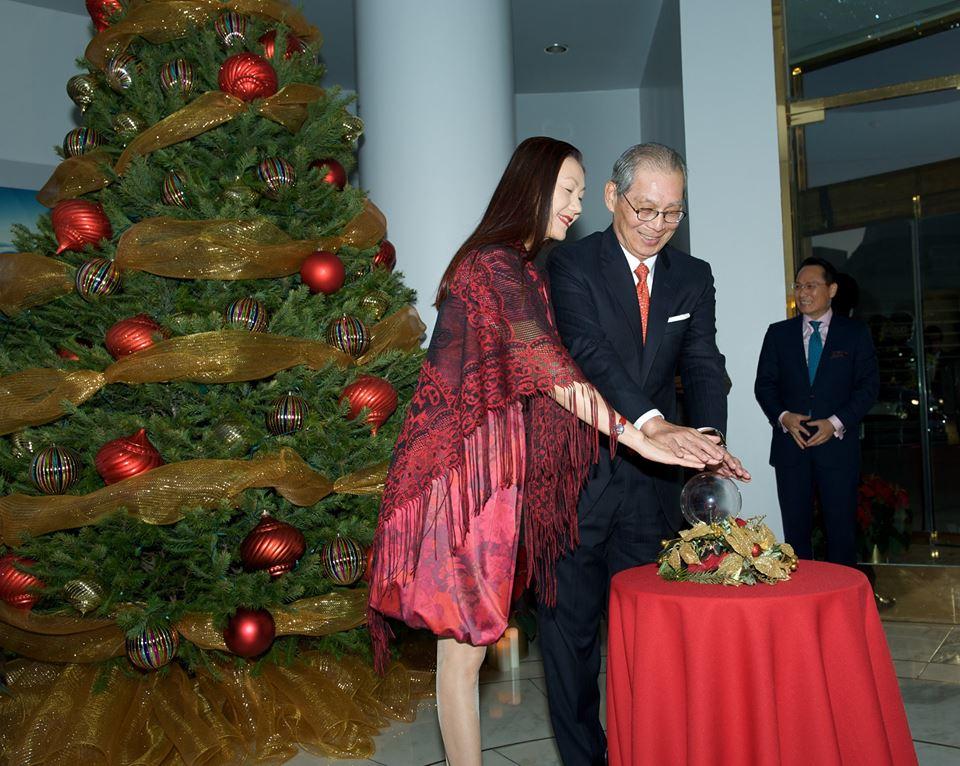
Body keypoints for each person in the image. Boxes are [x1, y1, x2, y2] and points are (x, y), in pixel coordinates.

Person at [366, 137, 732, 766]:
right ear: (533, 188)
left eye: (581, 194)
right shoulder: (492, 267)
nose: (575, 205)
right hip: (470, 475)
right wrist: (643, 434)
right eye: (568, 192)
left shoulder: (526, 268)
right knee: (466, 643)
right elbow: (555, 369)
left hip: (510, 474)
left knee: (472, 641)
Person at [542, 142, 749, 766]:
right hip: (576, 479)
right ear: (612, 198)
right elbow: (588, 352)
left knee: (649, 637)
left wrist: (707, 440)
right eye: (645, 210)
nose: (658, 226)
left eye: (673, 213)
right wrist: (656, 426)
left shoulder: (694, 276)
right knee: (570, 640)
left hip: (650, 492)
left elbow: (704, 362)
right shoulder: (569, 265)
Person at [755, 256, 879, 566]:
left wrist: (835, 423)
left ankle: (841, 607)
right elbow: (764, 385)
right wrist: (784, 417)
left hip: (837, 449)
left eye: (811, 285)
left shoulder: (855, 333)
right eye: (798, 286)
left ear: (832, 289)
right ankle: (800, 605)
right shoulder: (778, 334)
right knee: (795, 538)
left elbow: (868, 388)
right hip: (791, 448)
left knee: (841, 534)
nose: (803, 292)